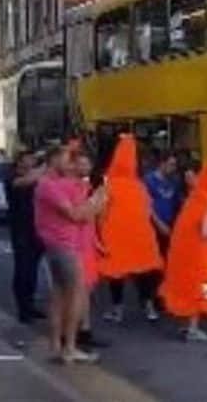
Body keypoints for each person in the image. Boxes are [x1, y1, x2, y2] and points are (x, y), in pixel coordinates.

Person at [34, 146, 104, 364]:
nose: (71, 163)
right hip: (64, 247)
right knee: (74, 295)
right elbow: (76, 214)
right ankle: (70, 347)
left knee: (59, 295)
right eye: (67, 159)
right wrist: (95, 202)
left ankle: (57, 344)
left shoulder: (55, 184)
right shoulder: (49, 186)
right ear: (54, 159)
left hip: (58, 246)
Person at [159, 158, 207, 342]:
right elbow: (206, 231)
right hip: (201, 252)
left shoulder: (195, 196)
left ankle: (188, 324)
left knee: (189, 284)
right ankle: (193, 327)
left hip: (183, 250)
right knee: (204, 285)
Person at [99, 135, 163, 323]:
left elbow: (102, 212)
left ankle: (117, 309)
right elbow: (148, 211)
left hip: (115, 236)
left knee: (116, 273)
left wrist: (101, 234)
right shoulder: (139, 186)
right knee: (144, 271)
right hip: (141, 236)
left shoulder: (109, 185)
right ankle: (149, 306)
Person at [71, 151, 111, 349]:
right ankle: (75, 334)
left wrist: (97, 242)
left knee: (87, 289)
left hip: (87, 242)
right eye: (81, 163)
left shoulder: (87, 186)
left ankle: (84, 330)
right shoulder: (73, 188)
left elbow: (94, 218)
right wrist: (97, 200)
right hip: (75, 244)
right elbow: (82, 215)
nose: (85, 167)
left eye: (87, 163)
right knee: (80, 290)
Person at [6, 151, 46, 324]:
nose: (33, 161)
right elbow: (28, 180)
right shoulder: (13, 178)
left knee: (33, 270)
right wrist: (48, 162)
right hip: (21, 230)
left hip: (36, 229)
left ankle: (30, 305)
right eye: (29, 158)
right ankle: (23, 310)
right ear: (20, 161)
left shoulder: (36, 177)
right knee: (23, 269)